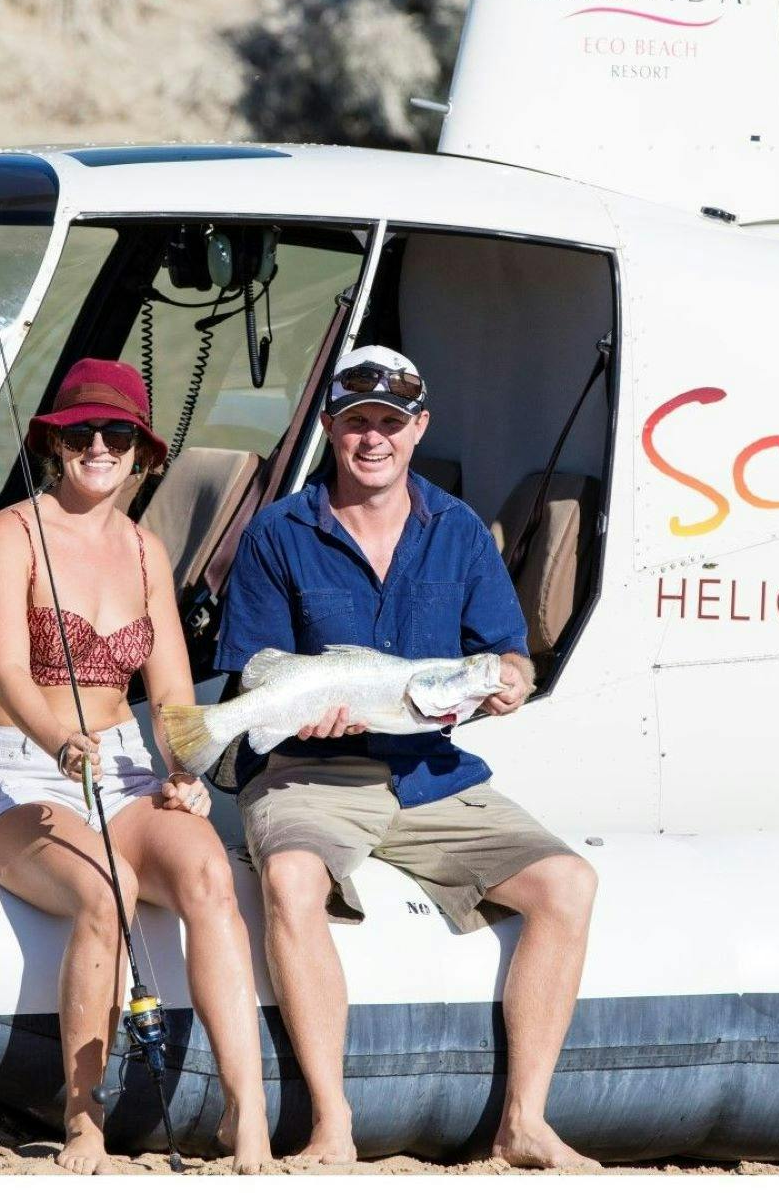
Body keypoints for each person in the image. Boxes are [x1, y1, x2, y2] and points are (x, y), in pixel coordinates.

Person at [213, 345, 600, 1169]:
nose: (374, 439)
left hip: (432, 770)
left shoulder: (457, 530)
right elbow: (255, 670)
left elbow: (507, 653)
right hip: (312, 770)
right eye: (357, 423)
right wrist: (298, 719)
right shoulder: (279, 531)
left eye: (391, 422)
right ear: (330, 430)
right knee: (289, 880)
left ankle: (524, 1124)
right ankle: (332, 1127)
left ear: (418, 429)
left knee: (569, 883)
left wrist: (510, 681)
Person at [0, 359, 271, 1175]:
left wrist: (184, 765)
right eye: (82, 432)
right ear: (55, 444)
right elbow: (9, 671)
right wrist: (59, 738)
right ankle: (83, 1115)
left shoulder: (144, 549)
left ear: (143, 453)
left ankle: (248, 1115)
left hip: (125, 766)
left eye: (118, 433)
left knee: (209, 875)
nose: (100, 445)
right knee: (108, 889)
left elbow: (167, 688)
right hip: (24, 767)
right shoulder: (11, 533)